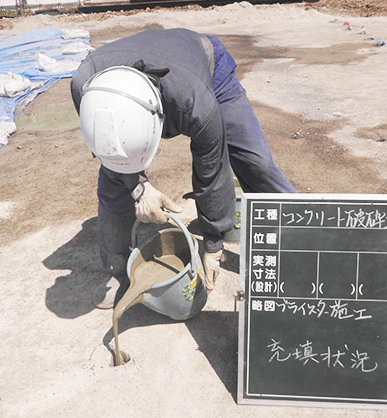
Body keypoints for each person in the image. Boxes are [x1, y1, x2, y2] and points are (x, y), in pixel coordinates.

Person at [71, 28, 296, 309]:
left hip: (208, 67)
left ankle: (303, 235)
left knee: (256, 164)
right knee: (113, 182)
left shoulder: (196, 105)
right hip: (147, 67)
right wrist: (139, 186)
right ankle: (119, 270)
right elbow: (110, 151)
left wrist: (213, 243)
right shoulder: (85, 87)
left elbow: (211, 170)